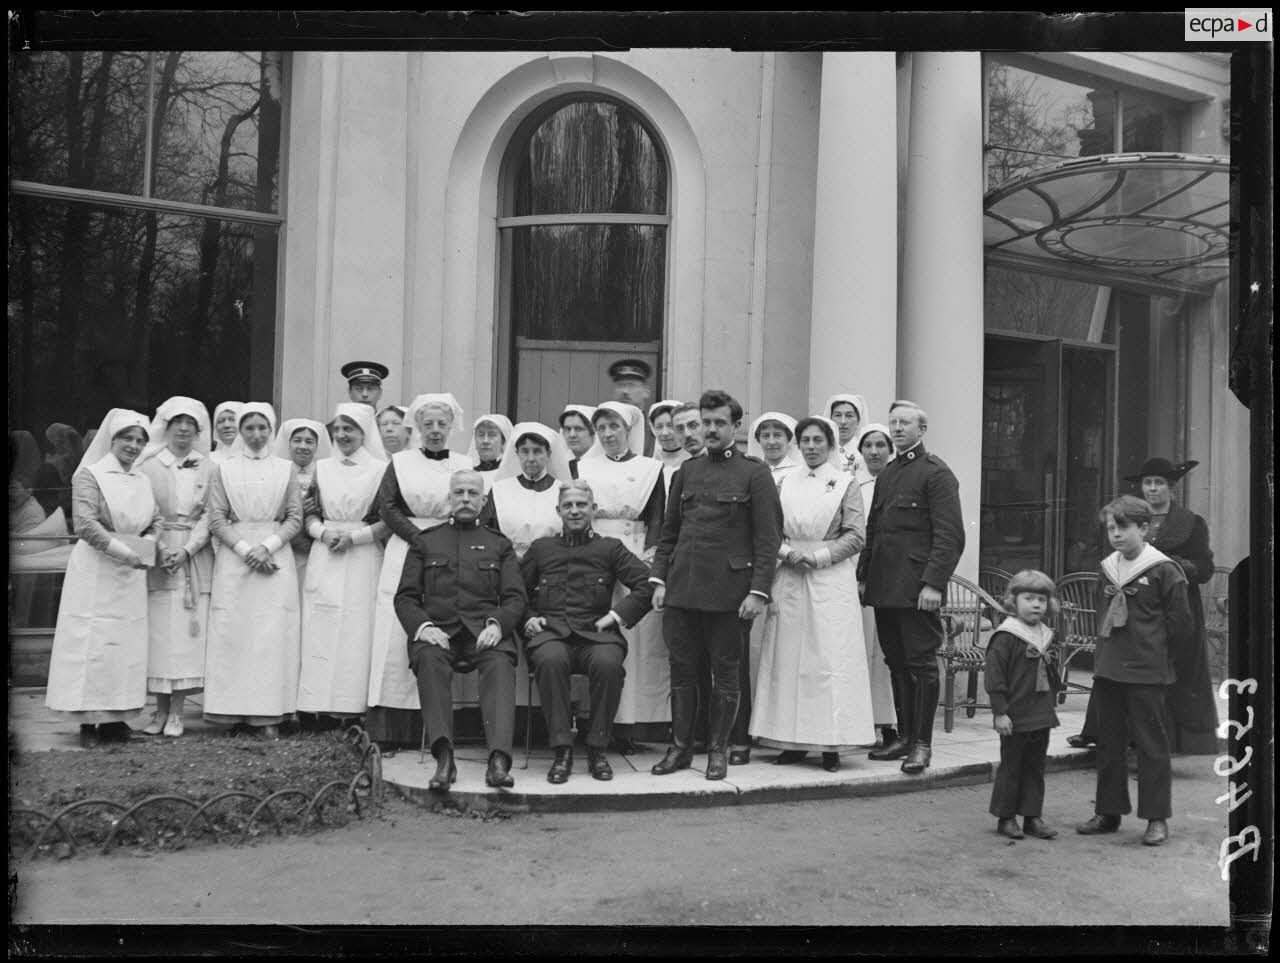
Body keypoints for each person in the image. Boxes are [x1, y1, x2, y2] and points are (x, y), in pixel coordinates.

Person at [650, 389, 782, 780]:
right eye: (705, 422)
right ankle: (680, 750)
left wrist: (758, 591)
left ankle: (719, 750)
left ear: (735, 427)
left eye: (718, 423)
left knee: (725, 674)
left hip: (729, 592)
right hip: (682, 589)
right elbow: (669, 533)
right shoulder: (687, 472)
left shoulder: (755, 474)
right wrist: (660, 580)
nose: (710, 429)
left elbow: (768, 539)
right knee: (682, 672)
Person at [1066, 457, 1218, 755]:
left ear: (1171, 487)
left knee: (1168, 670)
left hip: (1176, 604)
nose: (1151, 488)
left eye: (1158, 483)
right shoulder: (1129, 517)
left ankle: (1165, 742)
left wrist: (1171, 566)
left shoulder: (1191, 522)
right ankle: (1102, 731)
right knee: (1119, 662)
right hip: (1134, 604)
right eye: (1147, 483)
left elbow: (1205, 568)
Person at [752, 416, 874, 771]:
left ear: (830, 444)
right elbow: (770, 528)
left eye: (818, 440)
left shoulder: (845, 483)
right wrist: (788, 554)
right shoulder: (783, 481)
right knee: (788, 659)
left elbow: (855, 535)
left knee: (827, 661)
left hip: (829, 579)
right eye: (805, 440)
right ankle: (790, 740)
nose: (810, 446)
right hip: (790, 574)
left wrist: (818, 556)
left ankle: (831, 744)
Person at [395, 469, 526, 790]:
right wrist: (423, 627)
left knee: (499, 663)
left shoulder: (499, 544)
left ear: (483, 501)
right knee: (429, 659)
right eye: (459, 493)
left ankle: (498, 761)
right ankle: (444, 758)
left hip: (486, 634)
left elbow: (515, 597)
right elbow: (406, 597)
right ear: (448, 499)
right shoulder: (426, 542)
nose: (465, 499)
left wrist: (498, 624)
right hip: (439, 634)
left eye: (472, 493)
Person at [1075, 496, 1192, 847]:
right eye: (1111, 528)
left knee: (1151, 746)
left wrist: (1153, 655)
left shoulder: (1164, 570)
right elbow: (1101, 612)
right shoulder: (1108, 566)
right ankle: (1108, 813)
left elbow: (1181, 626)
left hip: (1146, 671)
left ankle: (1156, 819)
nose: (1116, 534)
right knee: (1108, 744)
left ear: (1144, 528)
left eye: (1123, 527)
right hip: (1110, 669)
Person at [520, 479, 656, 783]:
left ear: (593, 509)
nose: (575, 511)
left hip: (597, 634)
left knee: (609, 665)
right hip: (551, 633)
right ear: (558, 511)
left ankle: (597, 748)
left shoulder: (610, 548)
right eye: (568, 505)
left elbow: (647, 584)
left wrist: (616, 616)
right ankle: (562, 750)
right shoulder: (542, 549)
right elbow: (516, 592)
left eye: (581, 505)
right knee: (550, 660)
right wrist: (528, 618)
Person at [857, 399, 964, 775]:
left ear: (922, 429)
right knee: (896, 663)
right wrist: (863, 576)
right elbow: (874, 531)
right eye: (893, 423)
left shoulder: (936, 473)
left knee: (921, 665)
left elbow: (951, 537)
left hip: (918, 588)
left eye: (905, 423)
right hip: (886, 585)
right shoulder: (887, 475)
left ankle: (921, 743)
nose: (898, 428)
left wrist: (934, 583)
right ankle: (902, 736)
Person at [45, 409, 160, 748]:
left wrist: (149, 543)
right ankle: (89, 723)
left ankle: (117, 719)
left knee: (125, 645)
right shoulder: (90, 475)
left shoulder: (142, 479)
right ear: (113, 439)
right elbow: (84, 523)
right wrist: (125, 552)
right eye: (127, 438)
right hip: (97, 569)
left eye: (140, 440)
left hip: (131, 571)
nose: (134, 445)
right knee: (92, 643)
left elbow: (155, 519)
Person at [366, 393, 473, 746]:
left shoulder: (463, 462)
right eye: (428, 424)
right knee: (397, 630)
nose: (435, 431)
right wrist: (418, 537)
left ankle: (437, 728)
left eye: (442, 424)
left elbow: (469, 503)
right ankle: (393, 729)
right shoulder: (401, 461)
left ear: (451, 427)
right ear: (418, 427)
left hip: (451, 548)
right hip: (408, 548)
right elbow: (388, 507)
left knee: (441, 625)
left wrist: (443, 541)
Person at [203, 403, 304, 740]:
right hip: (236, 557)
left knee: (271, 636)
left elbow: (294, 517)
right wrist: (247, 550)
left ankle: (270, 713)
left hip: (275, 557)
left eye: (263, 428)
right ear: (241, 431)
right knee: (235, 633)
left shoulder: (286, 468)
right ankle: (234, 712)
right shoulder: (224, 469)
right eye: (250, 428)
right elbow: (216, 518)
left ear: (271, 430)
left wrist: (268, 546)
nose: (257, 435)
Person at [576, 401, 668, 743]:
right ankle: (595, 720)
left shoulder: (650, 468)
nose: (608, 434)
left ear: (629, 430)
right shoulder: (584, 466)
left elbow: (658, 518)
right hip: (594, 553)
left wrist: (652, 560)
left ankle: (634, 723)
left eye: (615, 427)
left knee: (636, 637)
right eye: (601, 428)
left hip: (634, 550)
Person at [296, 403, 388, 725]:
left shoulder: (380, 469)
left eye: (349, 429)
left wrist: (355, 538)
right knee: (320, 624)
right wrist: (322, 533)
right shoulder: (322, 467)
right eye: (337, 429)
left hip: (362, 553)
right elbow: (309, 513)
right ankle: (315, 706)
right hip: (327, 552)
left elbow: (387, 519)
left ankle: (351, 709)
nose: (342, 435)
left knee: (357, 628)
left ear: (364, 432)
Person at [135, 397, 217, 738]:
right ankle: (158, 709)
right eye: (176, 423)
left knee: (185, 636)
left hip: (193, 555)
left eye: (190, 424)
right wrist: (160, 546)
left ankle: (178, 712)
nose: (183, 430)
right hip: (157, 553)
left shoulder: (209, 467)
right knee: (158, 635)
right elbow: (142, 510)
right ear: (165, 427)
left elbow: (212, 514)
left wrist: (186, 549)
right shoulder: (148, 465)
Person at [985, 570, 1063, 841]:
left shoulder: (1047, 635)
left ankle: (1032, 816)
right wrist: (1000, 712)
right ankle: (1006, 817)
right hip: (1015, 714)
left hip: (1040, 713)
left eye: (1042, 599)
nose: (1036, 604)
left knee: (1035, 766)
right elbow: (995, 677)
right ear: (1013, 601)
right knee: (1012, 766)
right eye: (1028, 598)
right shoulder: (1006, 635)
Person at [856, 421, 899, 749]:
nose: (874, 451)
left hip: (886, 578)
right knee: (857, 650)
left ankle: (888, 721)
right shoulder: (852, 484)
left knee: (882, 653)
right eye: (868, 445)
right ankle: (858, 721)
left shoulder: (897, 482)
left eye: (880, 445)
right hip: (853, 578)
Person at [482, 422, 574, 558]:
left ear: (548, 454)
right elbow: (487, 533)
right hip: (508, 563)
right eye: (525, 451)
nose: (531, 458)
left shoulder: (563, 491)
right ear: (517, 453)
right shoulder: (499, 490)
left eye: (537, 451)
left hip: (551, 564)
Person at [274, 418, 331, 602]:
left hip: (315, 546)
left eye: (309, 441)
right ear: (288, 443)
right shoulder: (277, 472)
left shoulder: (325, 473)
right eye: (297, 440)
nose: (303, 446)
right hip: (283, 545)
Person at [746, 411, 802, 487]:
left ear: (788, 439)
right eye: (765, 436)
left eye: (777, 435)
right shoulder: (748, 472)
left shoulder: (799, 472)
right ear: (759, 440)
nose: (771, 442)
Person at [648, 399, 689, 495]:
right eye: (659, 427)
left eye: (670, 425)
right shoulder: (649, 464)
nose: (664, 433)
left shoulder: (694, 462)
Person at [823, 393, 870, 477]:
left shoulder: (865, 451)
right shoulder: (822, 450)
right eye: (838, 415)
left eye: (849, 416)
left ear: (858, 421)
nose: (843, 422)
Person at [469, 413, 514, 492]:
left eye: (492, 435)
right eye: (481, 435)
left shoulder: (511, 476)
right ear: (474, 442)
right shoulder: (466, 476)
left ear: (503, 442)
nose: (485, 441)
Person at [558, 404, 597, 479]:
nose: (572, 435)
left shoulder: (601, 466)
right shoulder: (560, 466)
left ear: (593, 432)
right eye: (568, 429)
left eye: (578, 429)